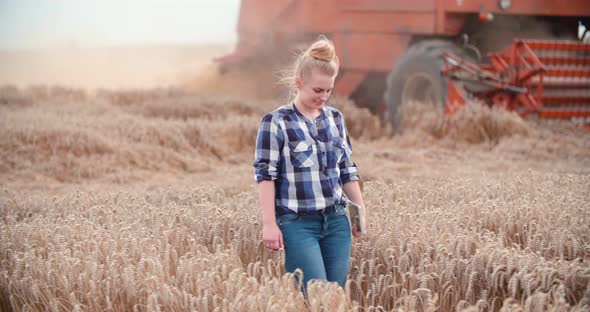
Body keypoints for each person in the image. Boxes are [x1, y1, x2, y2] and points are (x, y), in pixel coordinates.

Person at [252, 36, 366, 295]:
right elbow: (265, 175)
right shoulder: (276, 122)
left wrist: (360, 212)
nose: (324, 96)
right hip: (298, 224)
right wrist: (269, 224)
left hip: (337, 221)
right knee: (316, 297)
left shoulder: (335, 118)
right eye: (317, 90)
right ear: (299, 83)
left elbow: (347, 168)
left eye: (328, 90)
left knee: (334, 298)